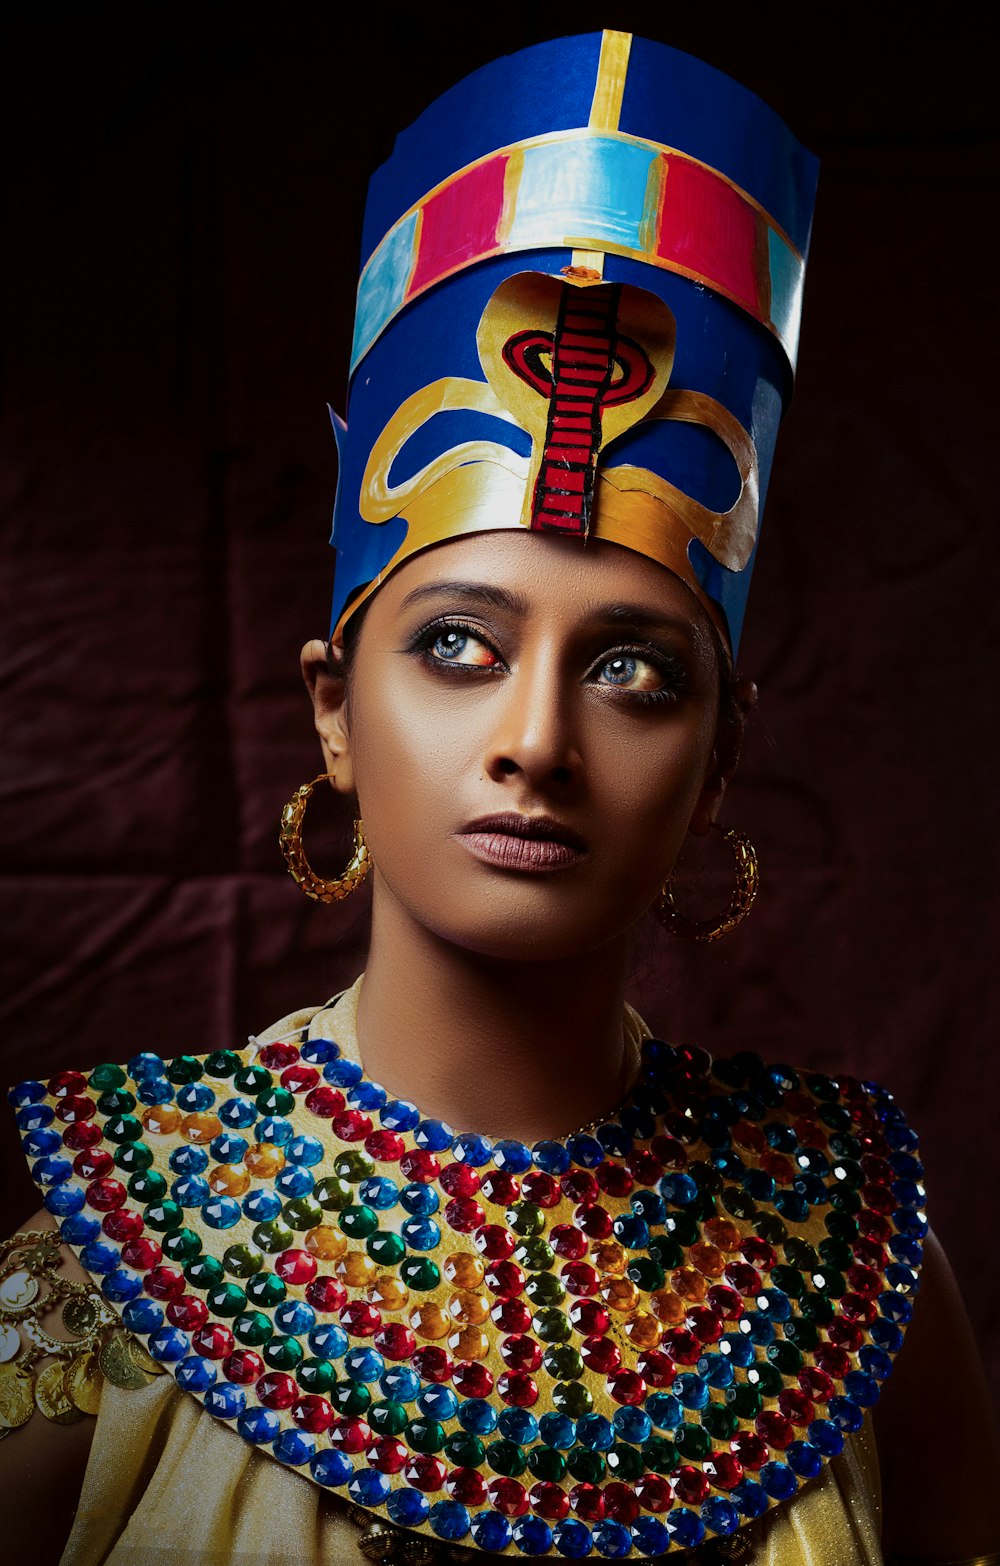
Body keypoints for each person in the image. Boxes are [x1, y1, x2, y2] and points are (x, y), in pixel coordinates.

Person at [2, 27, 997, 1566]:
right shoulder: (115, 1264)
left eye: (634, 673)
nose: (537, 737)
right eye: (457, 645)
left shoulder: (851, 1260)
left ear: (724, 751)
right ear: (336, 710)